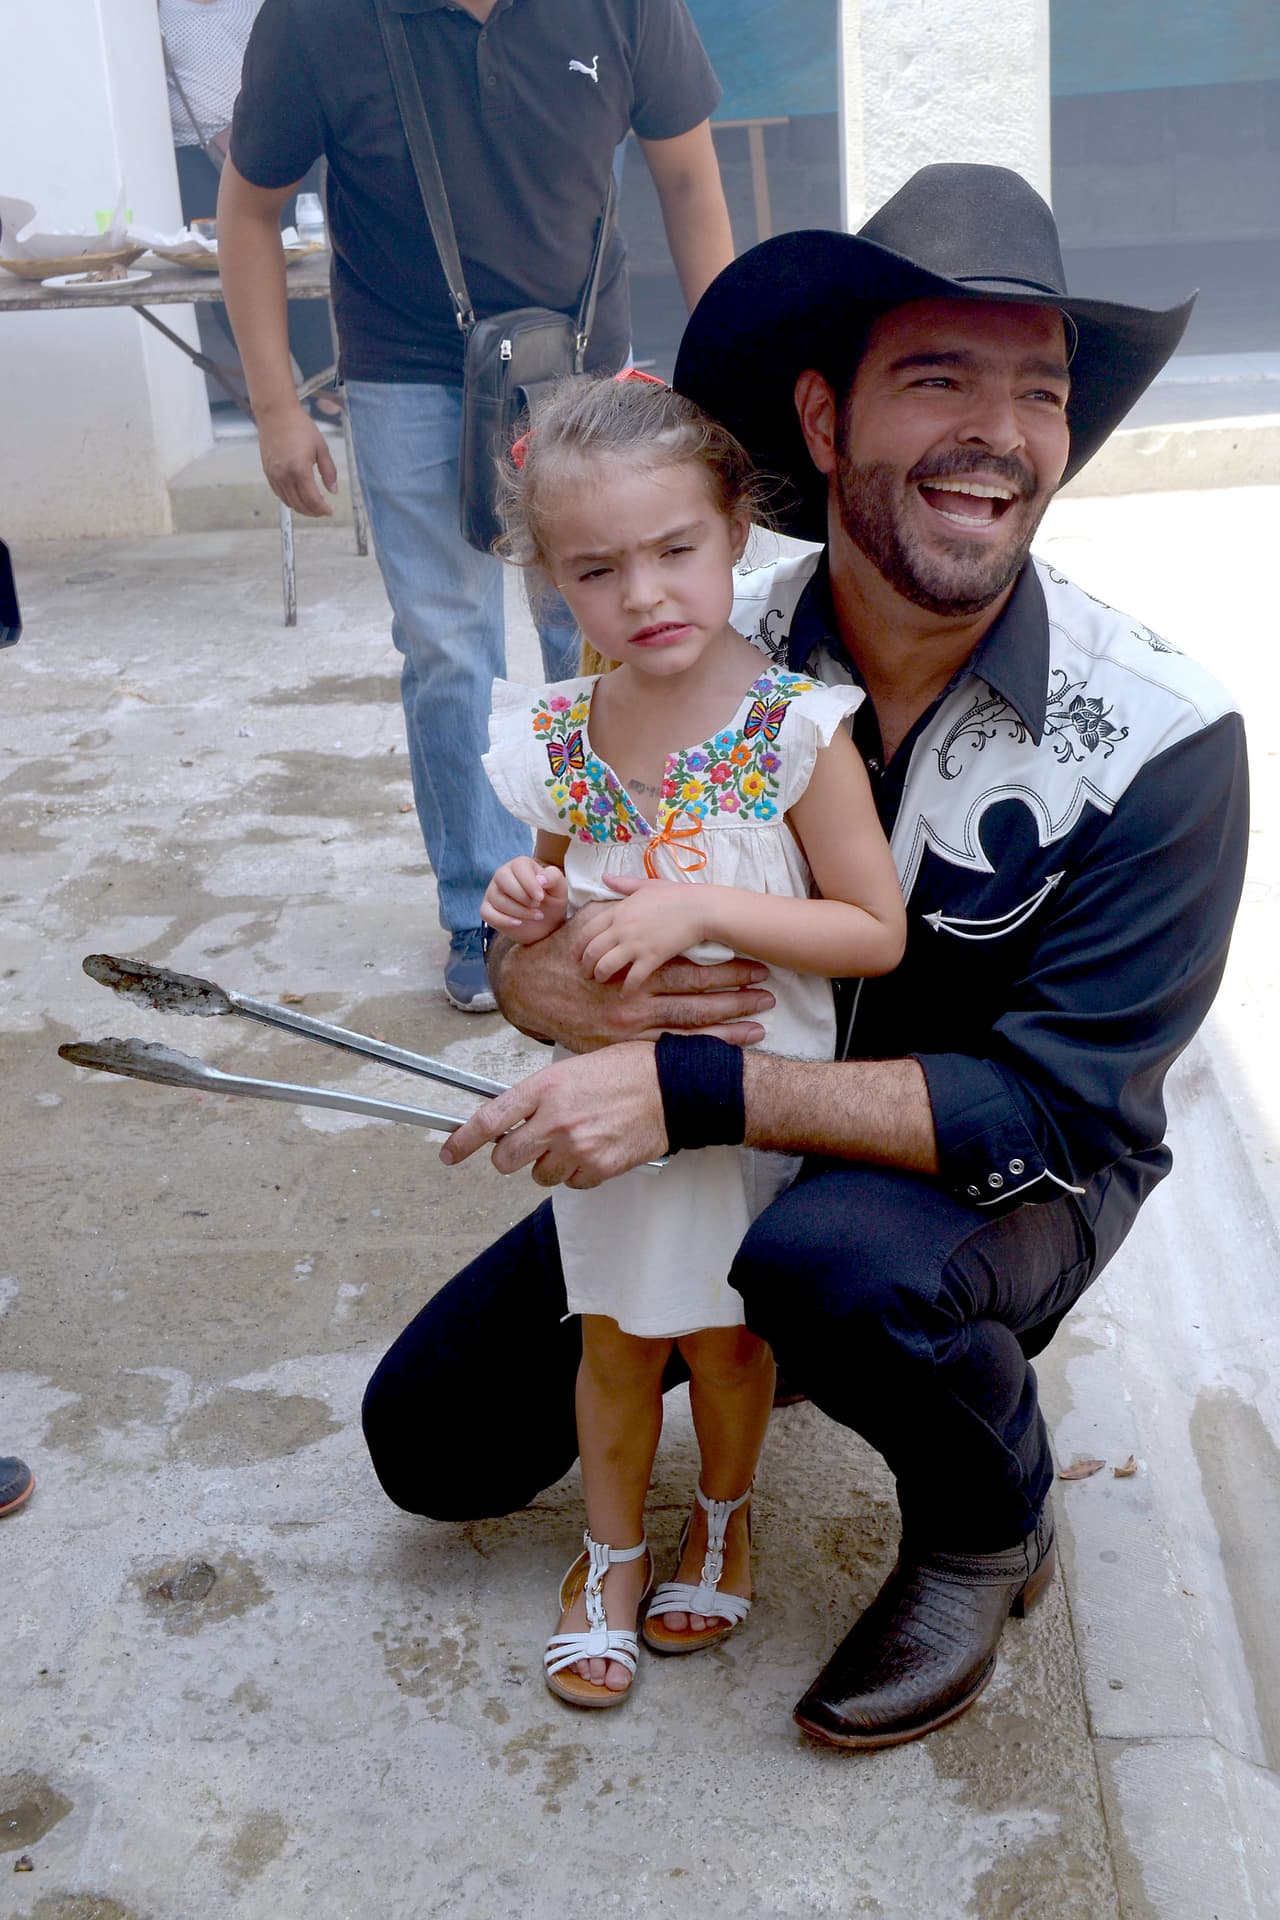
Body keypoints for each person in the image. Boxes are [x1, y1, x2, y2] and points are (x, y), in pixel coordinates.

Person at [361, 164, 1249, 1749]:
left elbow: (1055, 1108)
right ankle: (711, 1367)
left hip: (986, 1175)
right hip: (701, 1143)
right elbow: (556, 884)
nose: (1001, 431)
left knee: (839, 1273)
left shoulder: (1166, 738)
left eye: (1037, 391)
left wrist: (694, 1086)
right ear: (825, 424)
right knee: (430, 1445)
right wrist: (540, 982)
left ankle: (991, 1513)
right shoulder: (690, 620)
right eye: (939, 378)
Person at [477, 371, 905, 1705]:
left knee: (726, 1340)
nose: (645, 593)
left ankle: (722, 1518)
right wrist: (528, 902)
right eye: (599, 569)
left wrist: (714, 902)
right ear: (553, 581)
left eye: (676, 550)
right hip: (609, 1102)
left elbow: (873, 931)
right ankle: (608, 1554)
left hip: (750, 1106)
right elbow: (546, 897)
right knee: (612, 1336)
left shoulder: (789, 728)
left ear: (736, 534)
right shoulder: (563, 736)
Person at [217, 0, 736, 1013]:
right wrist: (278, 408)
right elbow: (249, 209)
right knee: (449, 647)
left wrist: (727, 372)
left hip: (583, 365)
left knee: (601, 634)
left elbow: (684, 173)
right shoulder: (319, 21)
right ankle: (483, 906)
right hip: (409, 370)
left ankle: (610, 880)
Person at [158, 0, 338, 418]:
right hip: (195, 155)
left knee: (302, 264)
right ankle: (265, 395)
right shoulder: (159, 11)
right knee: (224, 270)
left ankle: (324, 386)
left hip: (274, 144)